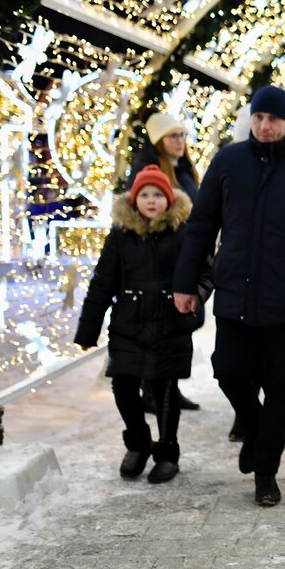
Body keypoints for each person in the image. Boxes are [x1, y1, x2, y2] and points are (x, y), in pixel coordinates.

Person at [172, 86, 285, 507]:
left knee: (279, 388)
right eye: (259, 117)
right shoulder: (229, 161)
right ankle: (254, 426)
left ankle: (266, 473)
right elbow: (202, 225)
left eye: (273, 119)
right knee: (228, 370)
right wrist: (185, 283)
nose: (265, 126)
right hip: (235, 290)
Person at [74, 165, 212, 483]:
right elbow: (102, 284)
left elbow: (206, 274)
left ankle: (167, 453)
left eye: (158, 195)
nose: (151, 201)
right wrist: (88, 330)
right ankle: (138, 442)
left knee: (165, 392)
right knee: (123, 386)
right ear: (134, 200)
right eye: (145, 195)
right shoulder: (121, 236)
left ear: (169, 199)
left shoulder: (184, 234)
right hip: (128, 326)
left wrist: (194, 296)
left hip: (170, 325)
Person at [131, 111, 203, 413]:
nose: (180, 141)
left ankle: (170, 388)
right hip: (160, 259)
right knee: (157, 328)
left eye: (182, 135)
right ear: (159, 140)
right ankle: (152, 390)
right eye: (173, 136)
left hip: (185, 255)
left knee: (178, 328)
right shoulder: (149, 170)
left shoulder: (184, 169)